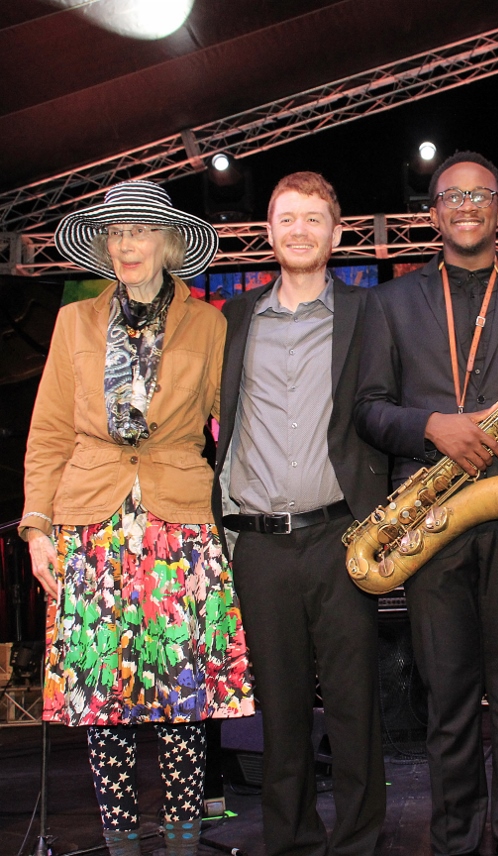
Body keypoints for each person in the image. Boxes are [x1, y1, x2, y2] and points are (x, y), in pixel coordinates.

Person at [354, 151, 498, 856]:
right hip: (431, 520)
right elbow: (367, 409)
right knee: (447, 703)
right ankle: (456, 842)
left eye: (480, 195)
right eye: (451, 197)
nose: (465, 206)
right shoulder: (390, 301)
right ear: (432, 215)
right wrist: (432, 426)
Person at [20, 180, 254, 856]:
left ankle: (182, 846)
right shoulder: (75, 324)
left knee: (183, 702)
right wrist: (38, 527)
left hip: (179, 519)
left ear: (168, 242)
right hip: (89, 521)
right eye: (116, 233)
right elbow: (49, 432)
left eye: (140, 230)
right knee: (103, 706)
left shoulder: (209, 324)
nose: (126, 243)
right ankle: (121, 847)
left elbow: (232, 425)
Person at [212, 171, 388, 856]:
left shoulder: (368, 315)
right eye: (288, 217)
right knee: (280, 714)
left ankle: (359, 844)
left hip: (342, 534)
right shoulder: (232, 320)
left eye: (315, 218)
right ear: (269, 230)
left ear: (337, 233)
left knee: (353, 709)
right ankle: (290, 845)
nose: (300, 230)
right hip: (258, 544)